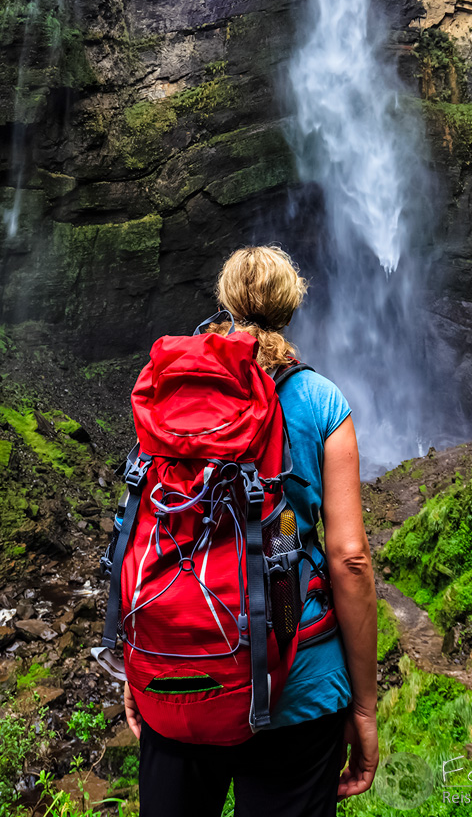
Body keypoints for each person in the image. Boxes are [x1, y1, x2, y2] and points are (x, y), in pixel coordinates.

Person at [122, 244, 379, 817]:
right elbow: (350, 558)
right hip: (301, 685)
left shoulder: (172, 402)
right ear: (290, 308)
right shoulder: (320, 400)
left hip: (182, 675)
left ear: (226, 302)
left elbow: (144, 532)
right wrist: (364, 707)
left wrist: (136, 666)